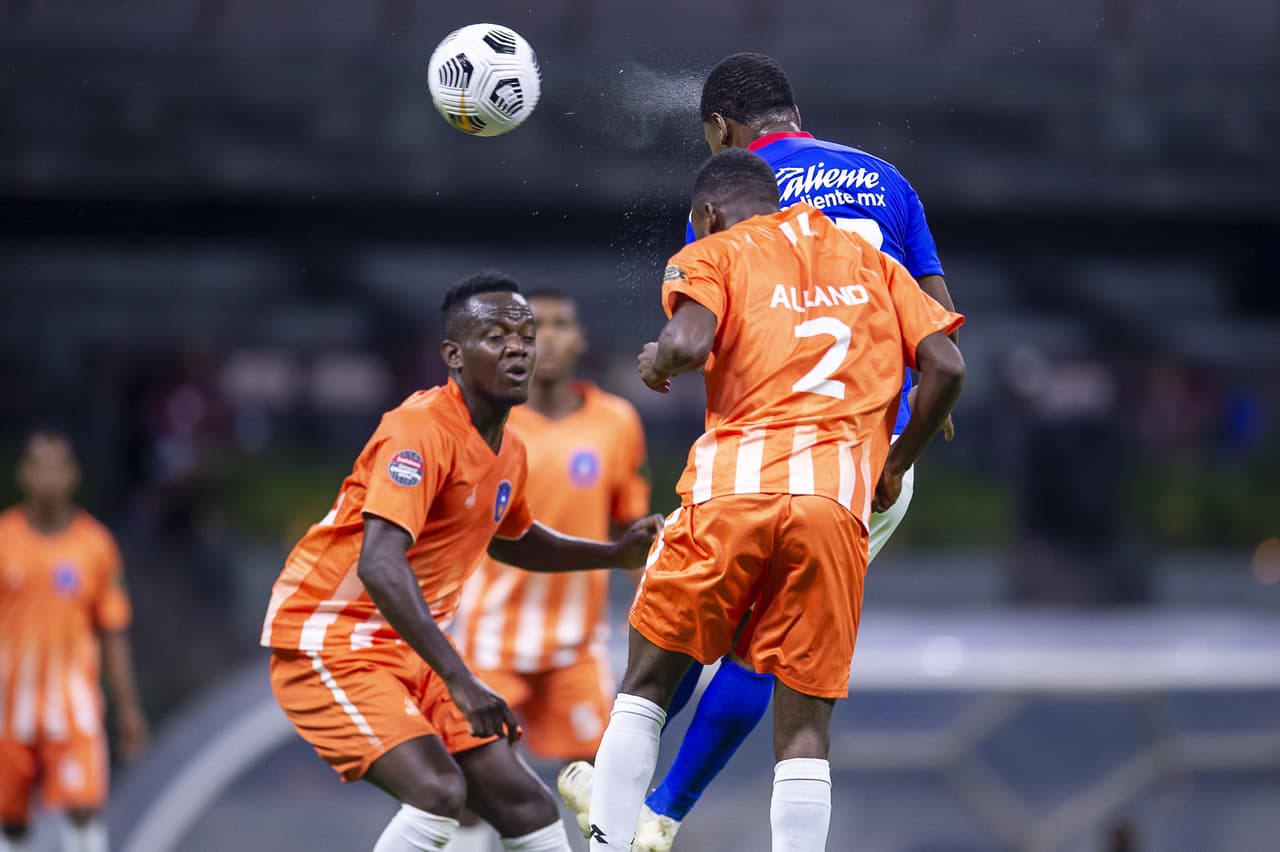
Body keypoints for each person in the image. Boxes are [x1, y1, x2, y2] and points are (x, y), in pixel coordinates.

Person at [558, 51, 961, 851]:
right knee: (780, 659)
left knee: (663, 658)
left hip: (745, 467)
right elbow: (945, 340)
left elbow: (700, 335)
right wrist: (902, 451)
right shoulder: (885, 187)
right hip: (862, 467)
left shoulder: (725, 206)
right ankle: (666, 809)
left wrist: (662, 360)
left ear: (722, 131)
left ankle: (622, 797)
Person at [260, 271, 662, 852]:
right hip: (329, 638)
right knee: (440, 793)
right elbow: (379, 564)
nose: (520, 346)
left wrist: (610, 552)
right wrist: (459, 677)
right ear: (453, 354)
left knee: (525, 805)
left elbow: (514, 538)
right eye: (496, 335)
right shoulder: (418, 430)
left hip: (405, 647)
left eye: (525, 334)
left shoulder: (509, 446)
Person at [445, 290, 651, 851]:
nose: (549, 338)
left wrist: (665, 615)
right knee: (471, 785)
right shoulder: (485, 422)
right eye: (536, 328)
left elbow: (632, 532)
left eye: (561, 324)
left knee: (604, 783)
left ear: (580, 339)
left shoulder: (617, 421)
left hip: (576, 645)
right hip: (492, 640)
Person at [0, 428, 149, 852]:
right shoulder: (4, 540)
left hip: (73, 708)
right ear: (23, 473)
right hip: (10, 709)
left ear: (72, 475)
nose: (47, 477)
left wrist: (127, 707)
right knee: (11, 818)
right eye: (39, 466)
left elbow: (113, 630)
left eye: (56, 467)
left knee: (83, 806)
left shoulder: (95, 545)